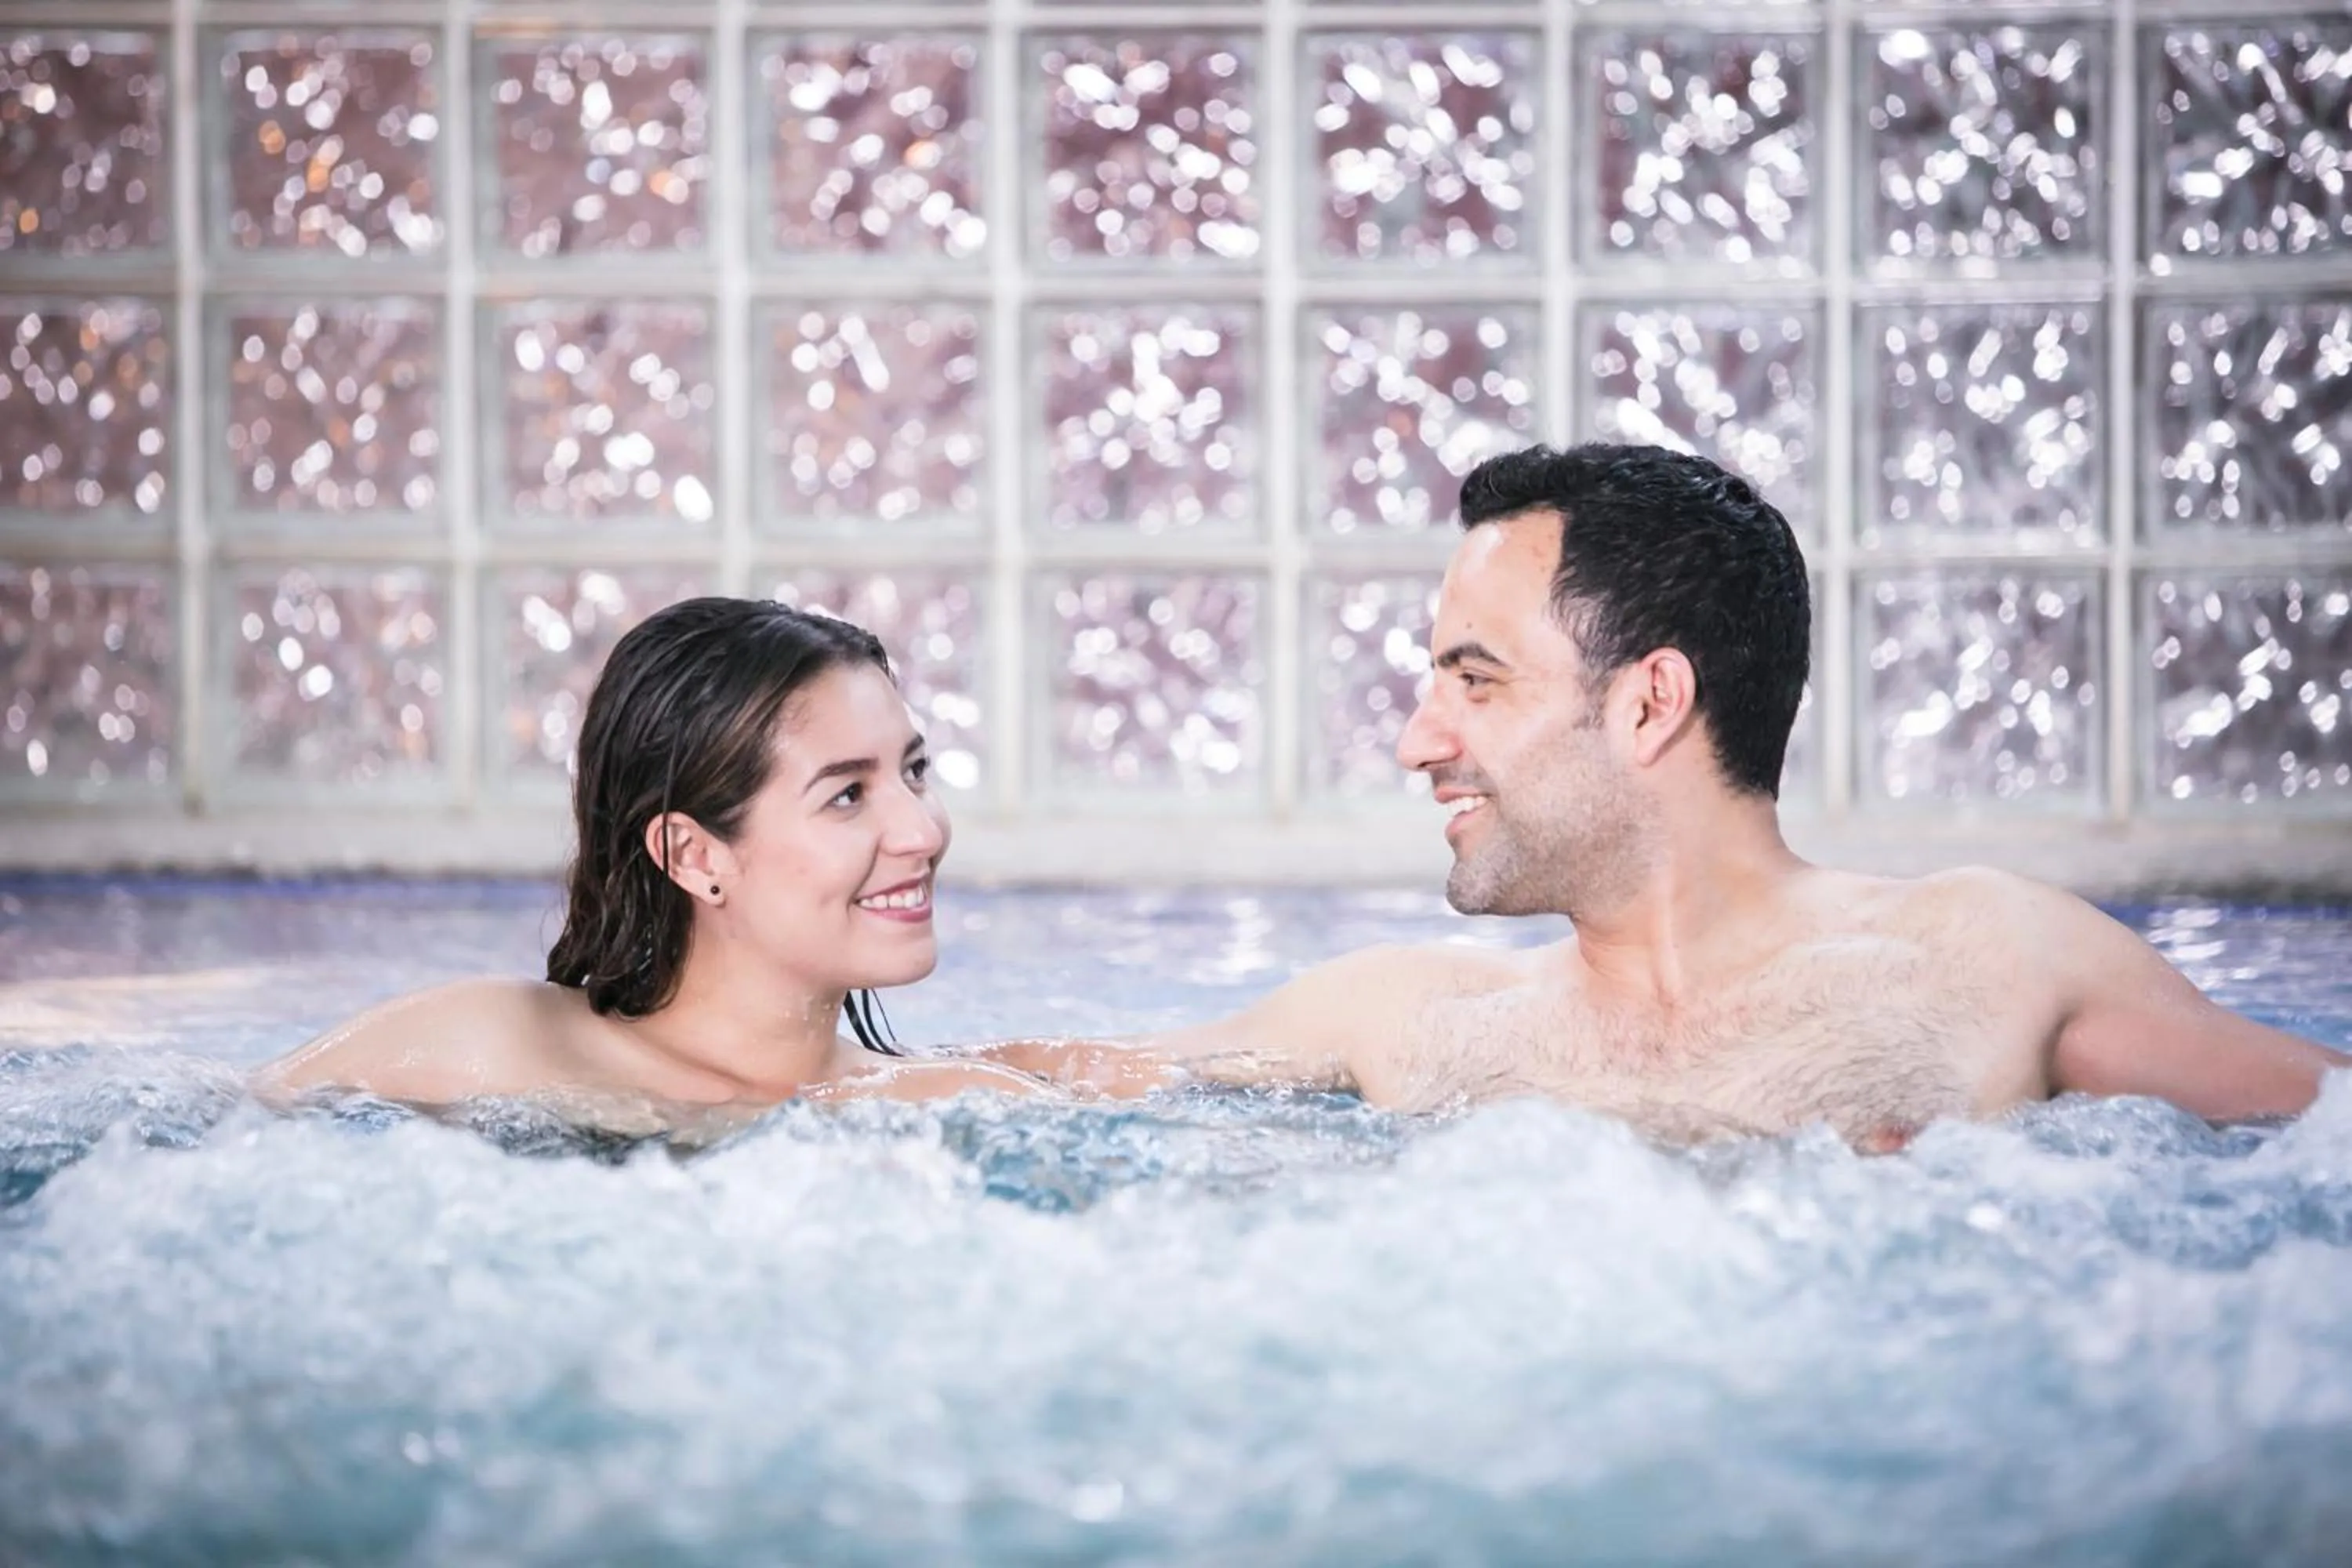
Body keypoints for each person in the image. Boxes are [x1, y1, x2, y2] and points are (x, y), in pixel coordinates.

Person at [1000, 442, 2349, 1145]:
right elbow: (1015, 1095)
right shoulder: (1400, 1022)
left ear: (1650, 701)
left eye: (1475, 679)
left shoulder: (1986, 962)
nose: (1418, 740)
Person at [256, 597, 1041, 1125]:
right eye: (846, 794)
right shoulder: (490, 1045)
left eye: (913, 771)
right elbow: (213, 1130)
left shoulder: (944, 1107)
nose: (924, 830)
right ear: (694, 854)